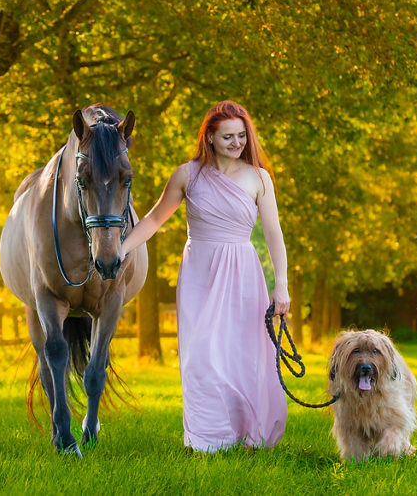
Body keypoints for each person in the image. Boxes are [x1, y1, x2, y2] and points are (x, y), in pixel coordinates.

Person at [121, 100, 290, 451]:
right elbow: (153, 220)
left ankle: (246, 433)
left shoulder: (259, 178)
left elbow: (273, 233)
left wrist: (282, 286)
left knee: (243, 354)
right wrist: (119, 250)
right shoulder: (187, 174)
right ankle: (208, 438)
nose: (236, 143)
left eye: (242, 136)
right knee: (200, 355)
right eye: (228, 136)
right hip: (199, 271)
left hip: (243, 271)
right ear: (209, 137)